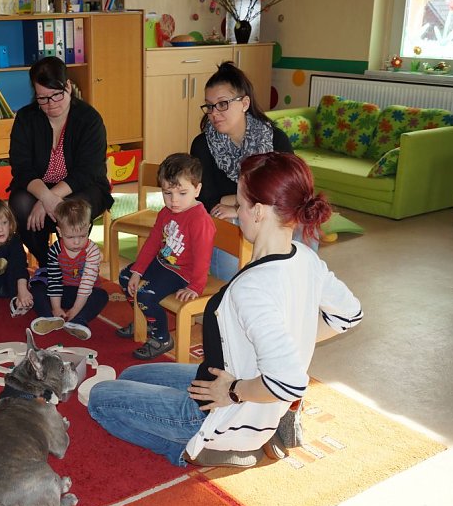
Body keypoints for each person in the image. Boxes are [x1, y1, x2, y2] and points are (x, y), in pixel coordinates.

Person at [88, 152, 363, 468]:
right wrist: (293, 340)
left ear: (258, 211)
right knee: (133, 375)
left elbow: (287, 382)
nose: (236, 212)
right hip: (232, 386)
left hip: (220, 412)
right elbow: (349, 314)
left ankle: (201, 449)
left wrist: (233, 391)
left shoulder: (252, 288)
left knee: (101, 400)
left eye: (240, 204)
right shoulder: (303, 256)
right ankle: (251, 432)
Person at [8, 56, 113, 269]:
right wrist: (45, 196)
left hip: (83, 187)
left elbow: (87, 171)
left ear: (68, 86)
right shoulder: (26, 118)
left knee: (74, 208)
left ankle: (72, 265)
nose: (50, 104)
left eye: (56, 95)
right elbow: (21, 168)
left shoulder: (88, 119)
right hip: (39, 187)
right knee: (20, 204)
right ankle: (49, 266)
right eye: (42, 98)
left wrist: (52, 197)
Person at [190, 61, 293, 280]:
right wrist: (243, 206)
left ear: (245, 103)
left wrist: (237, 206)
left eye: (222, 104)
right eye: (209, 106)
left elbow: (288, 195)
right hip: (230, 219)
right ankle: (230, 296)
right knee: (225, 226)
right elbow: (208, 200)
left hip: (270, 218)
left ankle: (289, 293)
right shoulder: (202, 145)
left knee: (303, 228)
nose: (214, 113)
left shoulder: (275, 140)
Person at [114, 153, 215, 360]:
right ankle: (145, 319)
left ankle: (161, 337)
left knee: (146, 294)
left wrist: (195, 286)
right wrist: (137, 270)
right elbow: (152, 243)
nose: (174, 200)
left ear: (197, 189)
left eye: (182, 193)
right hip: (163, 263)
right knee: (125, 277)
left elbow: (204, 257)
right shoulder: (165, 212)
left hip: (183, 274)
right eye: (167, 193)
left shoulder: (199, 220)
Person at [29, 198, 108, 341]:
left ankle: (79, 321)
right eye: (70, 237)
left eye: (82, 236)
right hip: (63, 291)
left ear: (89, 227)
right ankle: (47, 318)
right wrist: (56, 308)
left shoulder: (92, 251)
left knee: (101, 295)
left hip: (85, 293)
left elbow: (86, 285)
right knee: (37, 289)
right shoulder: (55, 250)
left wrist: (75, 311)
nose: (77, 242)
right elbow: (54, 280)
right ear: (59, 232)